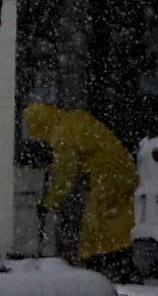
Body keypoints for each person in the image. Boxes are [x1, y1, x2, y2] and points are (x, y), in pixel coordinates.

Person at [22, 101, 138, 279]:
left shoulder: (61, 135)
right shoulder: (73, 119)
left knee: (95, 223)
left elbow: (65, 175)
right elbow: (85, 153)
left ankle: (100, 265)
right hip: (125, 171)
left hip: (108, 176)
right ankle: (121, 263)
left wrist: (49, 203)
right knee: (116, 222)